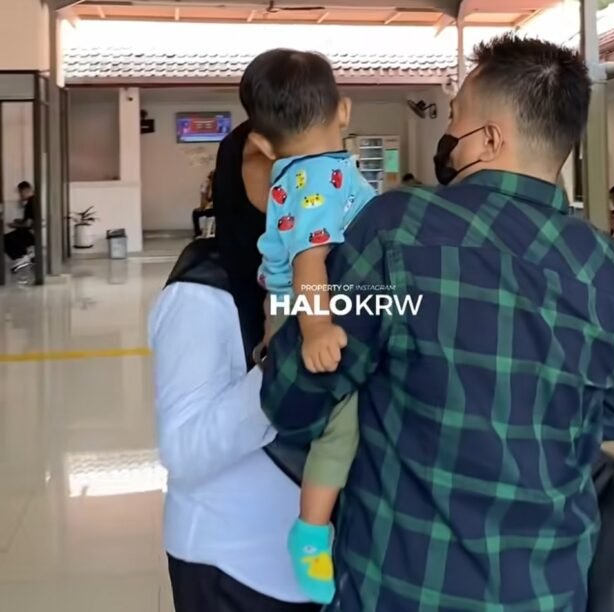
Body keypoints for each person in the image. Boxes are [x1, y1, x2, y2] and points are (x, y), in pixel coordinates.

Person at [261, 34, 614, 611]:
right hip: (551, 587)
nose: (447, 132)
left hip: (404, 585)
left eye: (454, 116)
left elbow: (296, 392)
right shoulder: (607, 266)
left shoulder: (397, 231)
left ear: (490, 139)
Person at [150, 117, 318, 612]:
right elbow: (184, 447)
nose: (292, 177)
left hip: (312, 566)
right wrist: (281, 367)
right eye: (269, 161)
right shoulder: (202, 291)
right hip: (230, 564)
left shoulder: (319, 277)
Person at [246, 49, 376, 604]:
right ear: (343, 111)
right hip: (316, 307)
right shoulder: (320, 175)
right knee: (341, 428)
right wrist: (317, 329)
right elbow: (309, 260)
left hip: (291, 307)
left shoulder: (290, 173)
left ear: (263, 142)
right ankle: (311, 531)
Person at [4, 181, 35, 273]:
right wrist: (20, 221)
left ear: (25, 190)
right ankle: (26, 256)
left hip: (28, 233)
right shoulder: (33, 201)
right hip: (30, 232)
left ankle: (22, 258)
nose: (20, 195)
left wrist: (14, 225)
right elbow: (30, 219)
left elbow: (28, 224)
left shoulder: (30, 203)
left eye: (20, 192)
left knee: (4, 240)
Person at [192, 171, 215, 238]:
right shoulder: (221, 184)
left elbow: (204, 200)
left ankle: (198, 233)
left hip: (211, 209)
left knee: (195, 213)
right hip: (218, 209)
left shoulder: (206, 185)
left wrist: (202, 208)